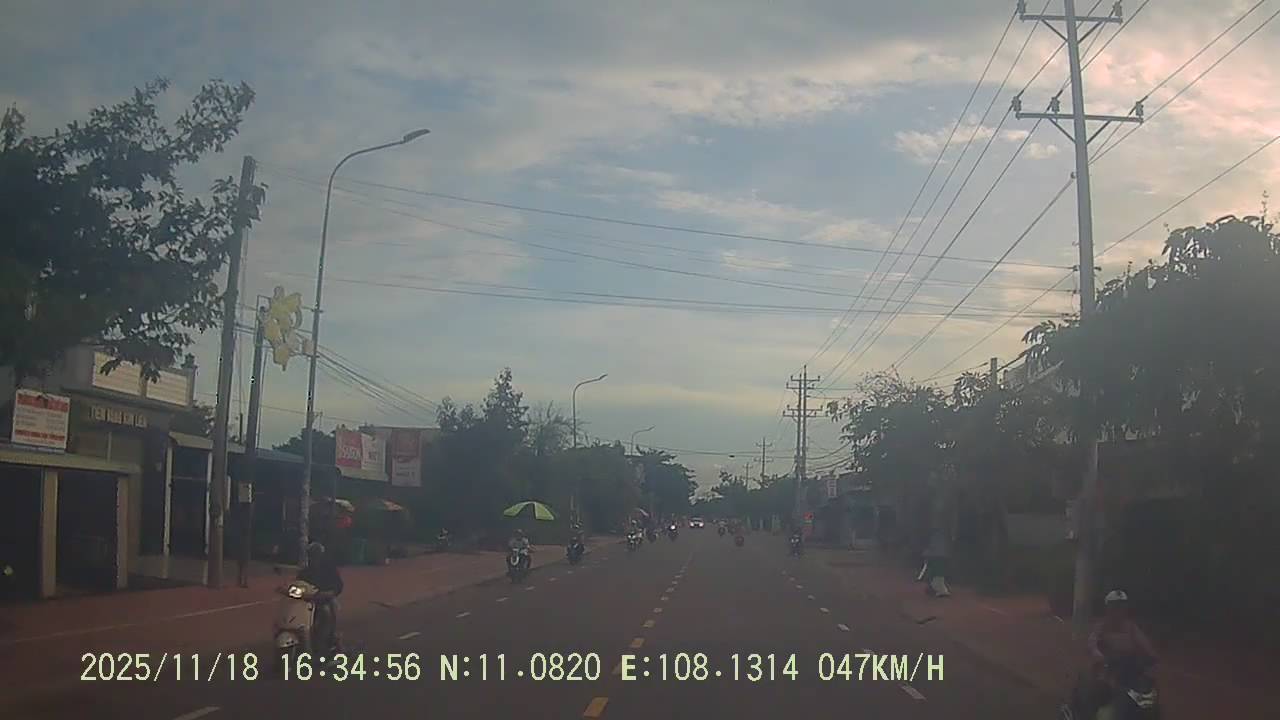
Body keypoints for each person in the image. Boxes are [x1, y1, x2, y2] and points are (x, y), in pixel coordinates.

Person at [1063, 590, 1158, 720]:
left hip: (1128, 670)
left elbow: (1144, 643)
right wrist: (1099, 655)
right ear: (1108, 608)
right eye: (1115, 606)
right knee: (1099, 693)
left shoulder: (1131, 627)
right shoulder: (1102, 626)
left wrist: (1151, 656)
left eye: (1121, 606)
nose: (1118, 609)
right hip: (1107, 670)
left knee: (1145, 697)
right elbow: (1092, 643)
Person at [297, 542, 343, 652]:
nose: (313, 557)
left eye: (315, 554)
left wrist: (331, 592)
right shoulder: (305, 572)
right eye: (311, 554)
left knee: (327, 612)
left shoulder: (329, 569)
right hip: (307, 601)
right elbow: (297, 583)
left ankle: (329, 638)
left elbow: (338, 585)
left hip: (325, 600)